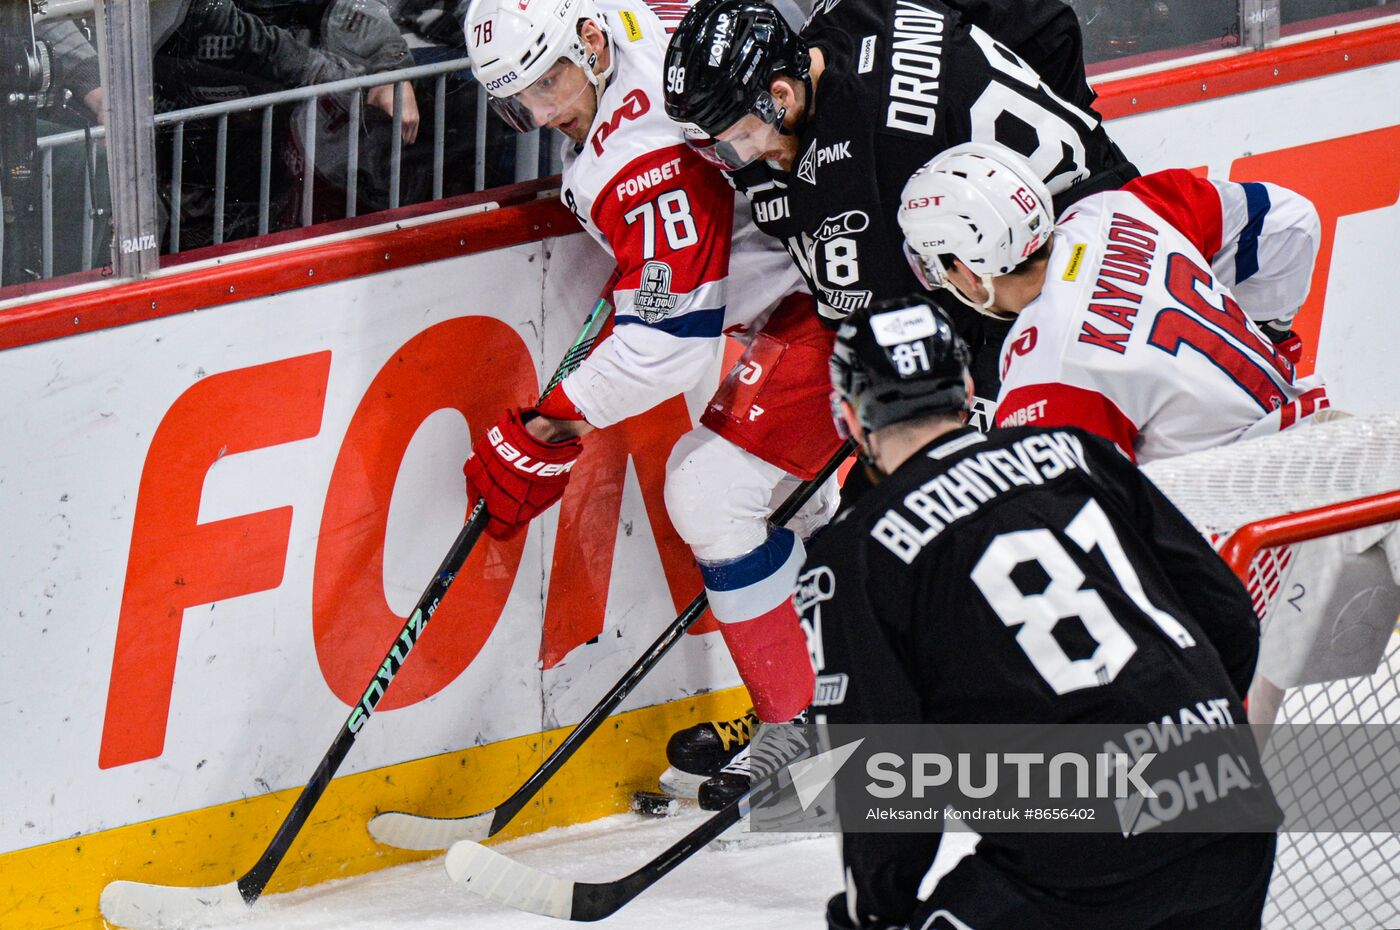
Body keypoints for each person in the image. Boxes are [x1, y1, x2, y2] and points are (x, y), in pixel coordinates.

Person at [461, 0, 846, 807]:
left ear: (592, 42)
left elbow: (670, 345)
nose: (540, 114)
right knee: (803, 506)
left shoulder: (636, 158)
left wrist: (554, 421)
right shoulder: (631, 21)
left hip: (823, 298)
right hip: (802, 281)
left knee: (709, 491)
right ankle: (835, 691)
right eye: (514, 104)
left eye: (548, 85)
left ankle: (803, 723)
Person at [801, 294, 1281, 929]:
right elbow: (1228, 616)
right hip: (1231, 810)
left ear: (851, 419)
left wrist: (873, 915)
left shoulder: (854, 555)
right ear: (968, 385)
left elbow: (884, 776)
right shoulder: (1077, 452)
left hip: (1076, 864)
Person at [662, 0, 1142, 425]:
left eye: (742, 137)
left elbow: (894, 335)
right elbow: (1048, 25)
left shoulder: (854, 181)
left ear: (781, 94)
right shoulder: (850, 11)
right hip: (1127, 202)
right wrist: (1070, 123)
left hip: (1071, 287)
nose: (742, 157)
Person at [898, 141, 1325, 464]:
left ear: (970, 270)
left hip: (1257, 528)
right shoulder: (1124, 206)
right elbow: (1290, 223)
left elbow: (1086, 528)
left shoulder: (1045, 369)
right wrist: (1272, 340)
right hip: (1332, 441)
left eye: (939, 269)